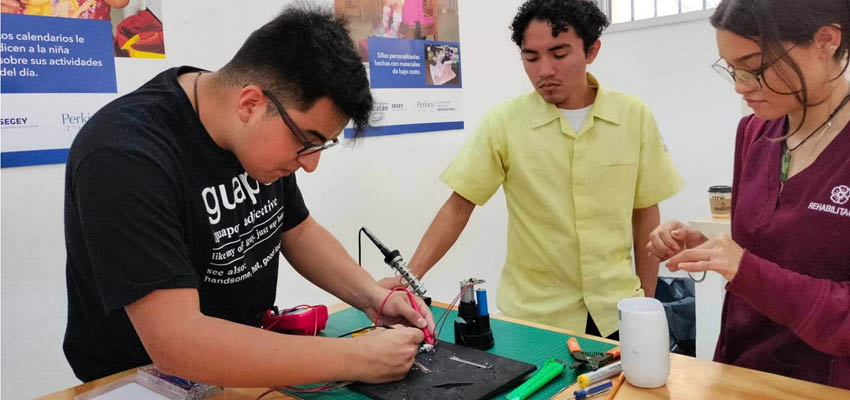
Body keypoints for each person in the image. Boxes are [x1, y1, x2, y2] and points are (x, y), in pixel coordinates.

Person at [63, 5, 435, 387]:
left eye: (321, 146)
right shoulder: (124, 155)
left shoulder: (255, 140)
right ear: (250, 104)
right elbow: (178, 343)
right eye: (307, 143)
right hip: (138, 382)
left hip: (239, 365)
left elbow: (298, 230)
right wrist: (357, 357)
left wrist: (372, 296)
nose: (310, 166)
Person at [380, 0, 682, 340]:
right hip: (535, 317)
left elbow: (645, 214)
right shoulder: (505, 123)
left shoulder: (633, 117)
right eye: (531, 57)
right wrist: (409, 278)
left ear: (592, 50)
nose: (545, 70)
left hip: (617, 309)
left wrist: (647, 306)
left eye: (559, 53)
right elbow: (458, 206)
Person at [648, 0, 850, 389]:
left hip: (822, 384)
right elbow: (769, 250)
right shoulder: (755, 133)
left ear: (826, 40)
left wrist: (745, 268)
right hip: (739, 371)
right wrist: (709, 248)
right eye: (732, 69)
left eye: (755, 68)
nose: (741, 86)